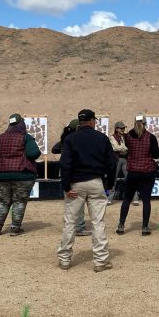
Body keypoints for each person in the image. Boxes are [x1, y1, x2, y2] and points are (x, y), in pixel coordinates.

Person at [57, 109, 117, 272]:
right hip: (96, 182)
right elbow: (112, 164)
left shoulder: (70, 139)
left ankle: (64, 259)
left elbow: (65, 164)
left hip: (76, 184)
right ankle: (100, 261)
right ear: (92, 121)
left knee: (70, 222)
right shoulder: (102, 138)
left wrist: (66, 186)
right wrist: (110, 184)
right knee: (98, 222)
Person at [0, 113, 41, 236]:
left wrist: (4, 158)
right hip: (22, 175)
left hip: (1, 175)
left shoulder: (0, 137)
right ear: (21, 124)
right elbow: (33, 153)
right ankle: (14, 228)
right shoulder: (26, 137)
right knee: (19, 202)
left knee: (2, 201)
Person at [116, 115, 159, 235]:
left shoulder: (128, 136)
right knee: (146, 200)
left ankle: (121, 225)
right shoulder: (150, 137)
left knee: (127, 199)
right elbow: (156, 155)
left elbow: (125, 150)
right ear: (145, 123)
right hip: (147, 171)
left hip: (132, 171)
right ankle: (145, 227)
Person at [52, 119, 88, 235]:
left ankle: (71, 224)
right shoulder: (78, 140)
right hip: (76, 174)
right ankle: (79, 227)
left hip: (64, 173)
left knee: (69, 201)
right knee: (80, 202)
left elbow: (55, 149)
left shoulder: (66, 139)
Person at [108, 120, 128, 204]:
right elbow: (116, 148)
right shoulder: (112, 137)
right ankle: (109, 199)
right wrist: (125, 149)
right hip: (117, 159)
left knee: (129, 178)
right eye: (121, 128)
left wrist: (124, 149)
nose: (123, 129)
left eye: (123, 128)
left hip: (125, 158)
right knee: (114, 179)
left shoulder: (126, 137)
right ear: (117, 129)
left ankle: (134, 198)